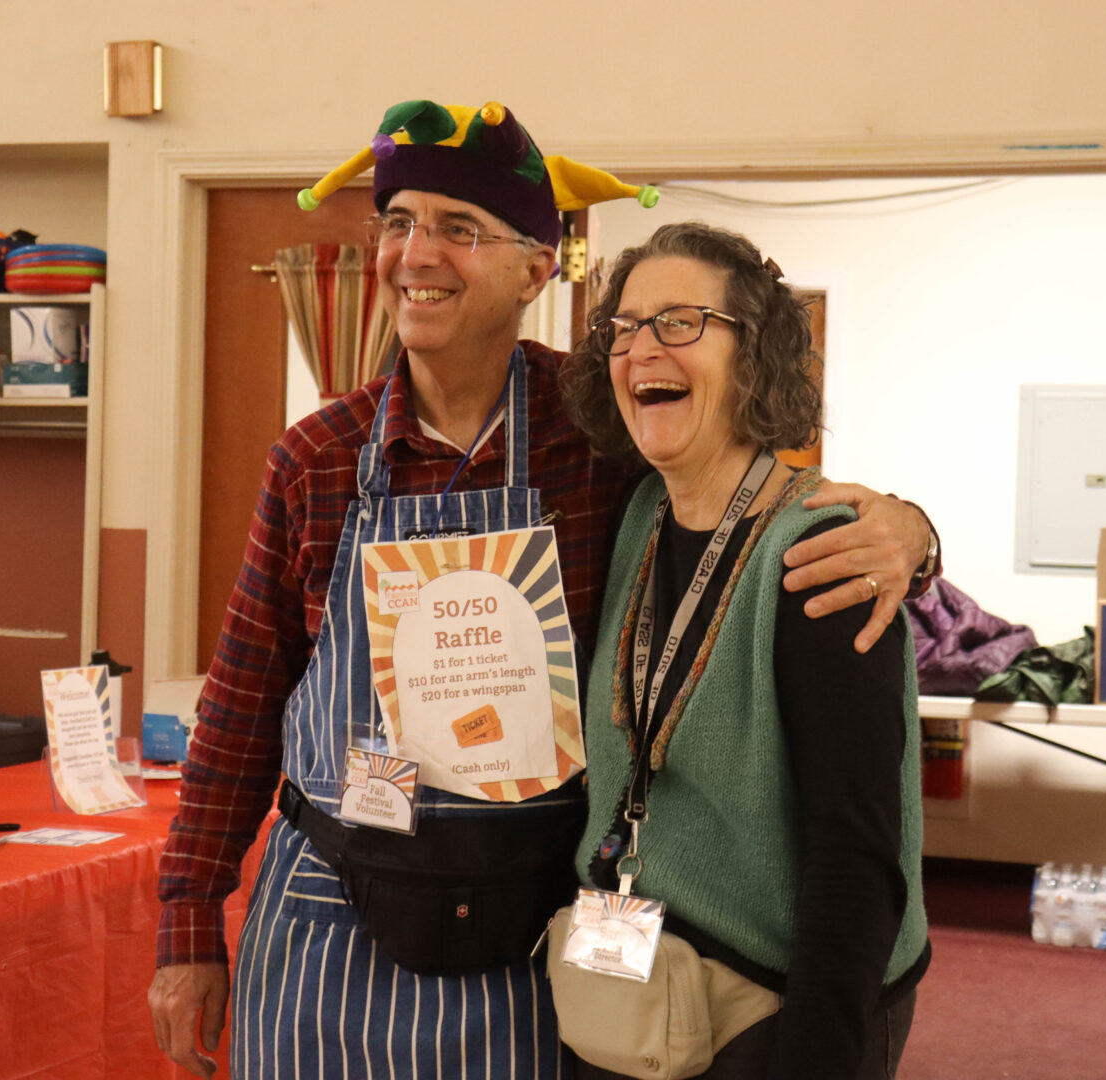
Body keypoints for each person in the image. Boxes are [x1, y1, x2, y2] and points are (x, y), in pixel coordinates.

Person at [149, 100, 939, 1080]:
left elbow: (751, 499)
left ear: (535, 268)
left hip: (527, 934)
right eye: (396, 223)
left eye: (458, 227)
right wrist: (188, 916)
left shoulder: (602, 448)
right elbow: (240, 702)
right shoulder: (316, 459)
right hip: (332, 910)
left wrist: (909, 531)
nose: (416, 253)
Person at [558, 222, 928, 1078]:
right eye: (627, 327)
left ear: (752, 355)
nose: (644, 346)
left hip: (776, 1001)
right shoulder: (640, 516)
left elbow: (857, 854)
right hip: (636, 974)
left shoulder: (821, 556)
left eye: (681, 322)